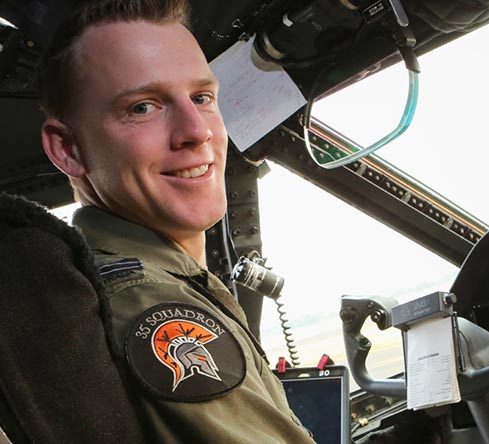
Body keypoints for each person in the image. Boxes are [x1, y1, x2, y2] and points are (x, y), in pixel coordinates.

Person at [37, 0, 315, 442]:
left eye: (202, 97)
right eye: (142, 107)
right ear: (67, 149)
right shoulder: (150, 304)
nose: (197, 130)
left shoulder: (120, 281)